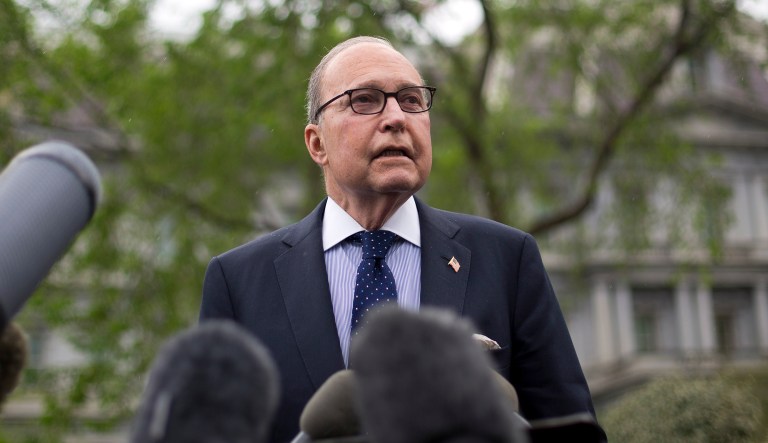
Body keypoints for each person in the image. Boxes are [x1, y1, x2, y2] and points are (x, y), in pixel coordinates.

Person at [200, 35, 603, 443]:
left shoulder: (507, 258)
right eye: (365, 100)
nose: (396, 117)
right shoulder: (238, 283)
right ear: (317, 143)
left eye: (411, 100)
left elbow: (572, 430)